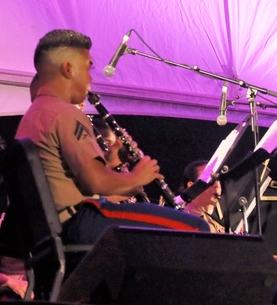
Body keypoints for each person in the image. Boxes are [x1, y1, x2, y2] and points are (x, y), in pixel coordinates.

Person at [14, 29, 211, 246]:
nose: (90, 77)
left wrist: (109, 162)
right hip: (81, 222)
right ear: (68, 68)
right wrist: (138, 176)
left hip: (54, 231)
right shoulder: (65, 113)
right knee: (197, 228)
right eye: (88, 67)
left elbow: (67, 181)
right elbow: (96, 183)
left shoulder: (34, 115)